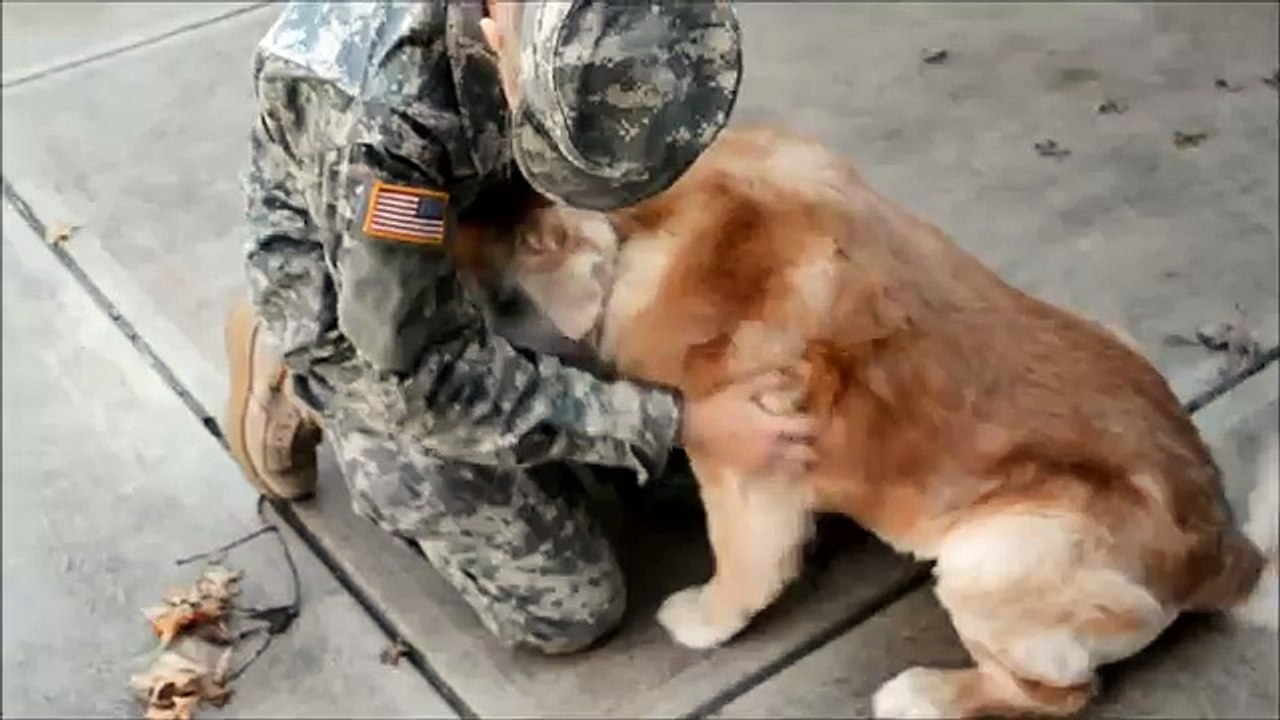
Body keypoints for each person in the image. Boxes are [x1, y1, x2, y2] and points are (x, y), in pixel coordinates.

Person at [223, 0, 819, 655]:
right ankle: (292, 370)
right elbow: (421, 378)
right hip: (381, 308)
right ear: (493, 36)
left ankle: (536, 353)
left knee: (685, 482)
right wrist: (678, 422)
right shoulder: (382, 122)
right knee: (570, 605)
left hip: (495, 213)